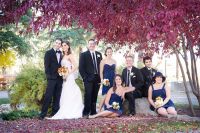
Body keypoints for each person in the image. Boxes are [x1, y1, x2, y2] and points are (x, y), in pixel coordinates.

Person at [48, 41, 84, 119]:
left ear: (68, 46)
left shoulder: (70, 55)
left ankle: (72, 110)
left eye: (65, 45)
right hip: (64, 77)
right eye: (62, 45)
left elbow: (75, 66)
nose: (63, 46)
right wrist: (62, 73)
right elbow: (61, 67)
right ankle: (65, 109)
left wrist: (68, 73)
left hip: (69, 76)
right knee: (65, 92)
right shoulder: (62, 55)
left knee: (70, 91)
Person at [39, 38, 63, 120]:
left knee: (57, 96)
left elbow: (61, 66)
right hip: (51, 79)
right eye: (56, 42)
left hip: (59, 79)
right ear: (54, 43)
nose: (57, 44)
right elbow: (46, 66)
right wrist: (49, 77)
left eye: (59, 43)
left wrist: (62, 75)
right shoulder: (48, 53)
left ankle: (54, 114)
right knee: (48, 96)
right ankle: (42, 114)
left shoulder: (62, 54)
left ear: (60, 45)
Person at [79, 39, 102, 118]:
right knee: (88, 95)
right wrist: (85, 78)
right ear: (88, 45)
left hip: (97, 78)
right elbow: (81, 68)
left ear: (95, 45)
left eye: (93, 44)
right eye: (90, 44)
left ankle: (93, 111)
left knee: (95, 95)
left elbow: (101, 67)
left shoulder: (99, 54)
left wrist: (101, 77)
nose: (92, 45)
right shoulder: (83, 55)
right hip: (88, 79)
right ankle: (86, 112)